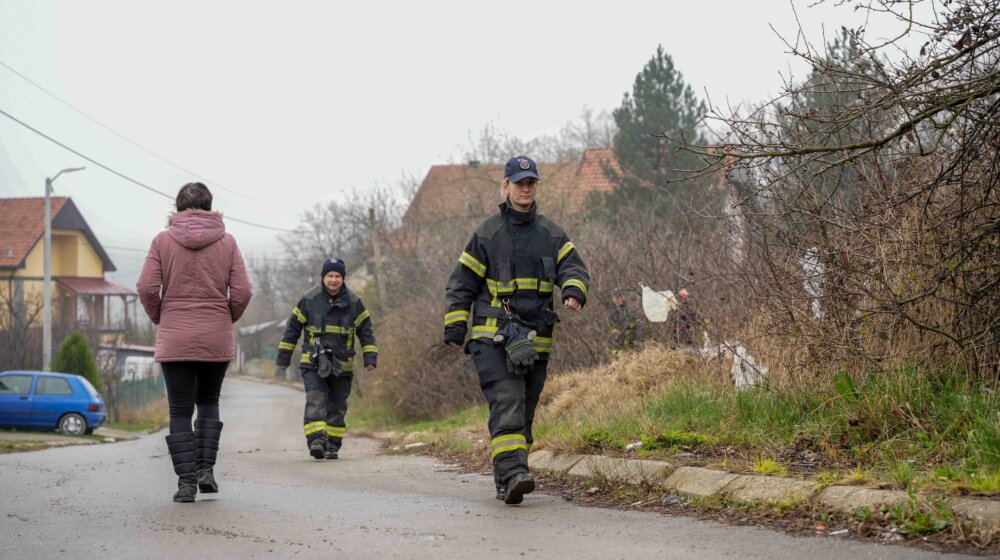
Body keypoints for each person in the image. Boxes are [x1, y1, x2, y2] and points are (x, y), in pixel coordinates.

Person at [444, 155, 590, 505]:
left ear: (536, 187)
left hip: (534, 342)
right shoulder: (487, 234)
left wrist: (572, 290)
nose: (525, 188)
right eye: (519, 182)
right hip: (491, 339)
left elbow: (574, 266)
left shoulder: (552, 233)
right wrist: (455, 325)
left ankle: (507, 476)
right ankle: (513, 474)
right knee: (507, 400)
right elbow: (461, 283)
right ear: (505, 186)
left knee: (523, 409)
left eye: (531, 182)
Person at [137, 182, 253, 503]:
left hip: (175, 335)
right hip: (216, 334)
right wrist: (224, 315)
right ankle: (206, 472)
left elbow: (147, 287)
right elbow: (243, 291)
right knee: (208, 401)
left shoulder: (162, 241)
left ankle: (186, 484)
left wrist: (162, 315)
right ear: (210, 206)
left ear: (177, 209)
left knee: (179, 410)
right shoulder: (227, 243)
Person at [276, 258, 377, 460]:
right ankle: (316, 442)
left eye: (337, 276)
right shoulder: (309, 299)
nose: (333, 280)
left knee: (337, 406)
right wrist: (284, 357)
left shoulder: (355, 302)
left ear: (343, 278)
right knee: (316, 399)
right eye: (329, 276)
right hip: (313, 362)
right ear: (323, 277)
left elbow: (366, 331)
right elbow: (292, 330)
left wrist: (370, 356)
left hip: (343, 364)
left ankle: (332, 446)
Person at [609, 287, 645, 356]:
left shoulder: (630, 311)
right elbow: (612, 330)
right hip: (618, 346)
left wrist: (636, 341)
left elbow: (639, 326)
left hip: (632, 344)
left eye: (618, 297)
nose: (616, 300)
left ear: (623, 297)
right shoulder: (611, 314)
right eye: (615, 297)